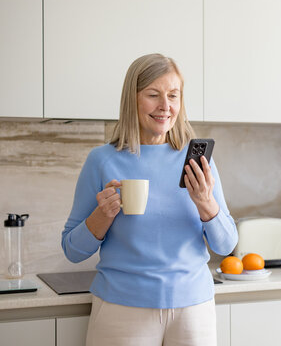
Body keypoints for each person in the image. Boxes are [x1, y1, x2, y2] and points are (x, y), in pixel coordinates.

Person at [62, 53, 238, 346]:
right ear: (132, 99)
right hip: (121, 309)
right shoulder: (102, 161)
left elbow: (226, 244)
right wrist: (101, 216)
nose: (165, 106)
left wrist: (206, 204)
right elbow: (72, 250)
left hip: (194, 309)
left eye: (173, 95)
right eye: (153, 95)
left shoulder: (197, 162)